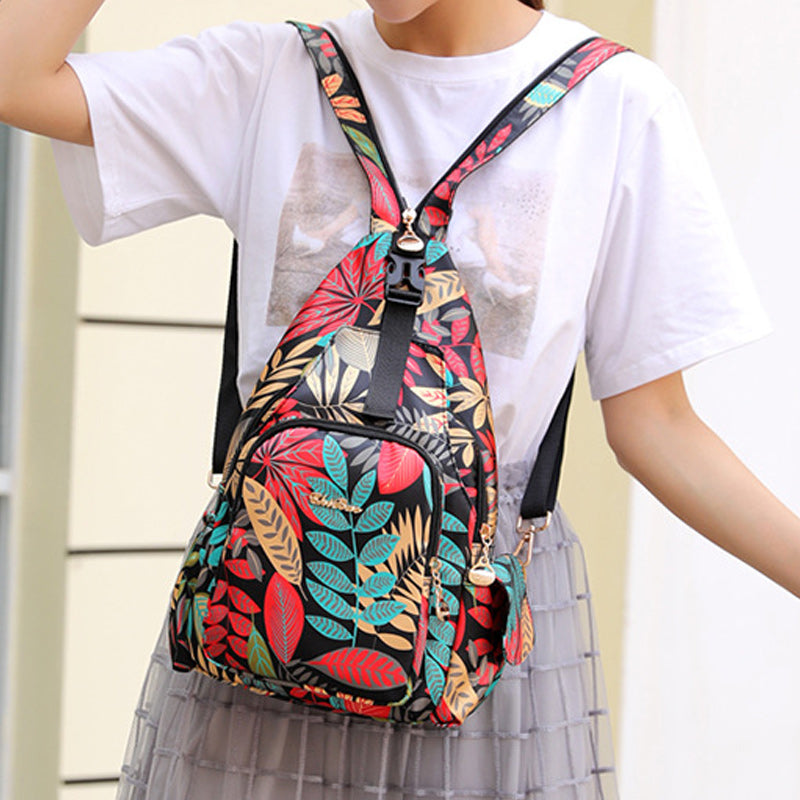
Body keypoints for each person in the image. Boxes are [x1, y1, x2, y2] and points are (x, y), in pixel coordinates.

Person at [2, 0, 799, 797]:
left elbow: (657, 426)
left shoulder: (616, 107)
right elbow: (16, 75)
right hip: (271, 606)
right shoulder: (267, 74)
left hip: (468, 628)